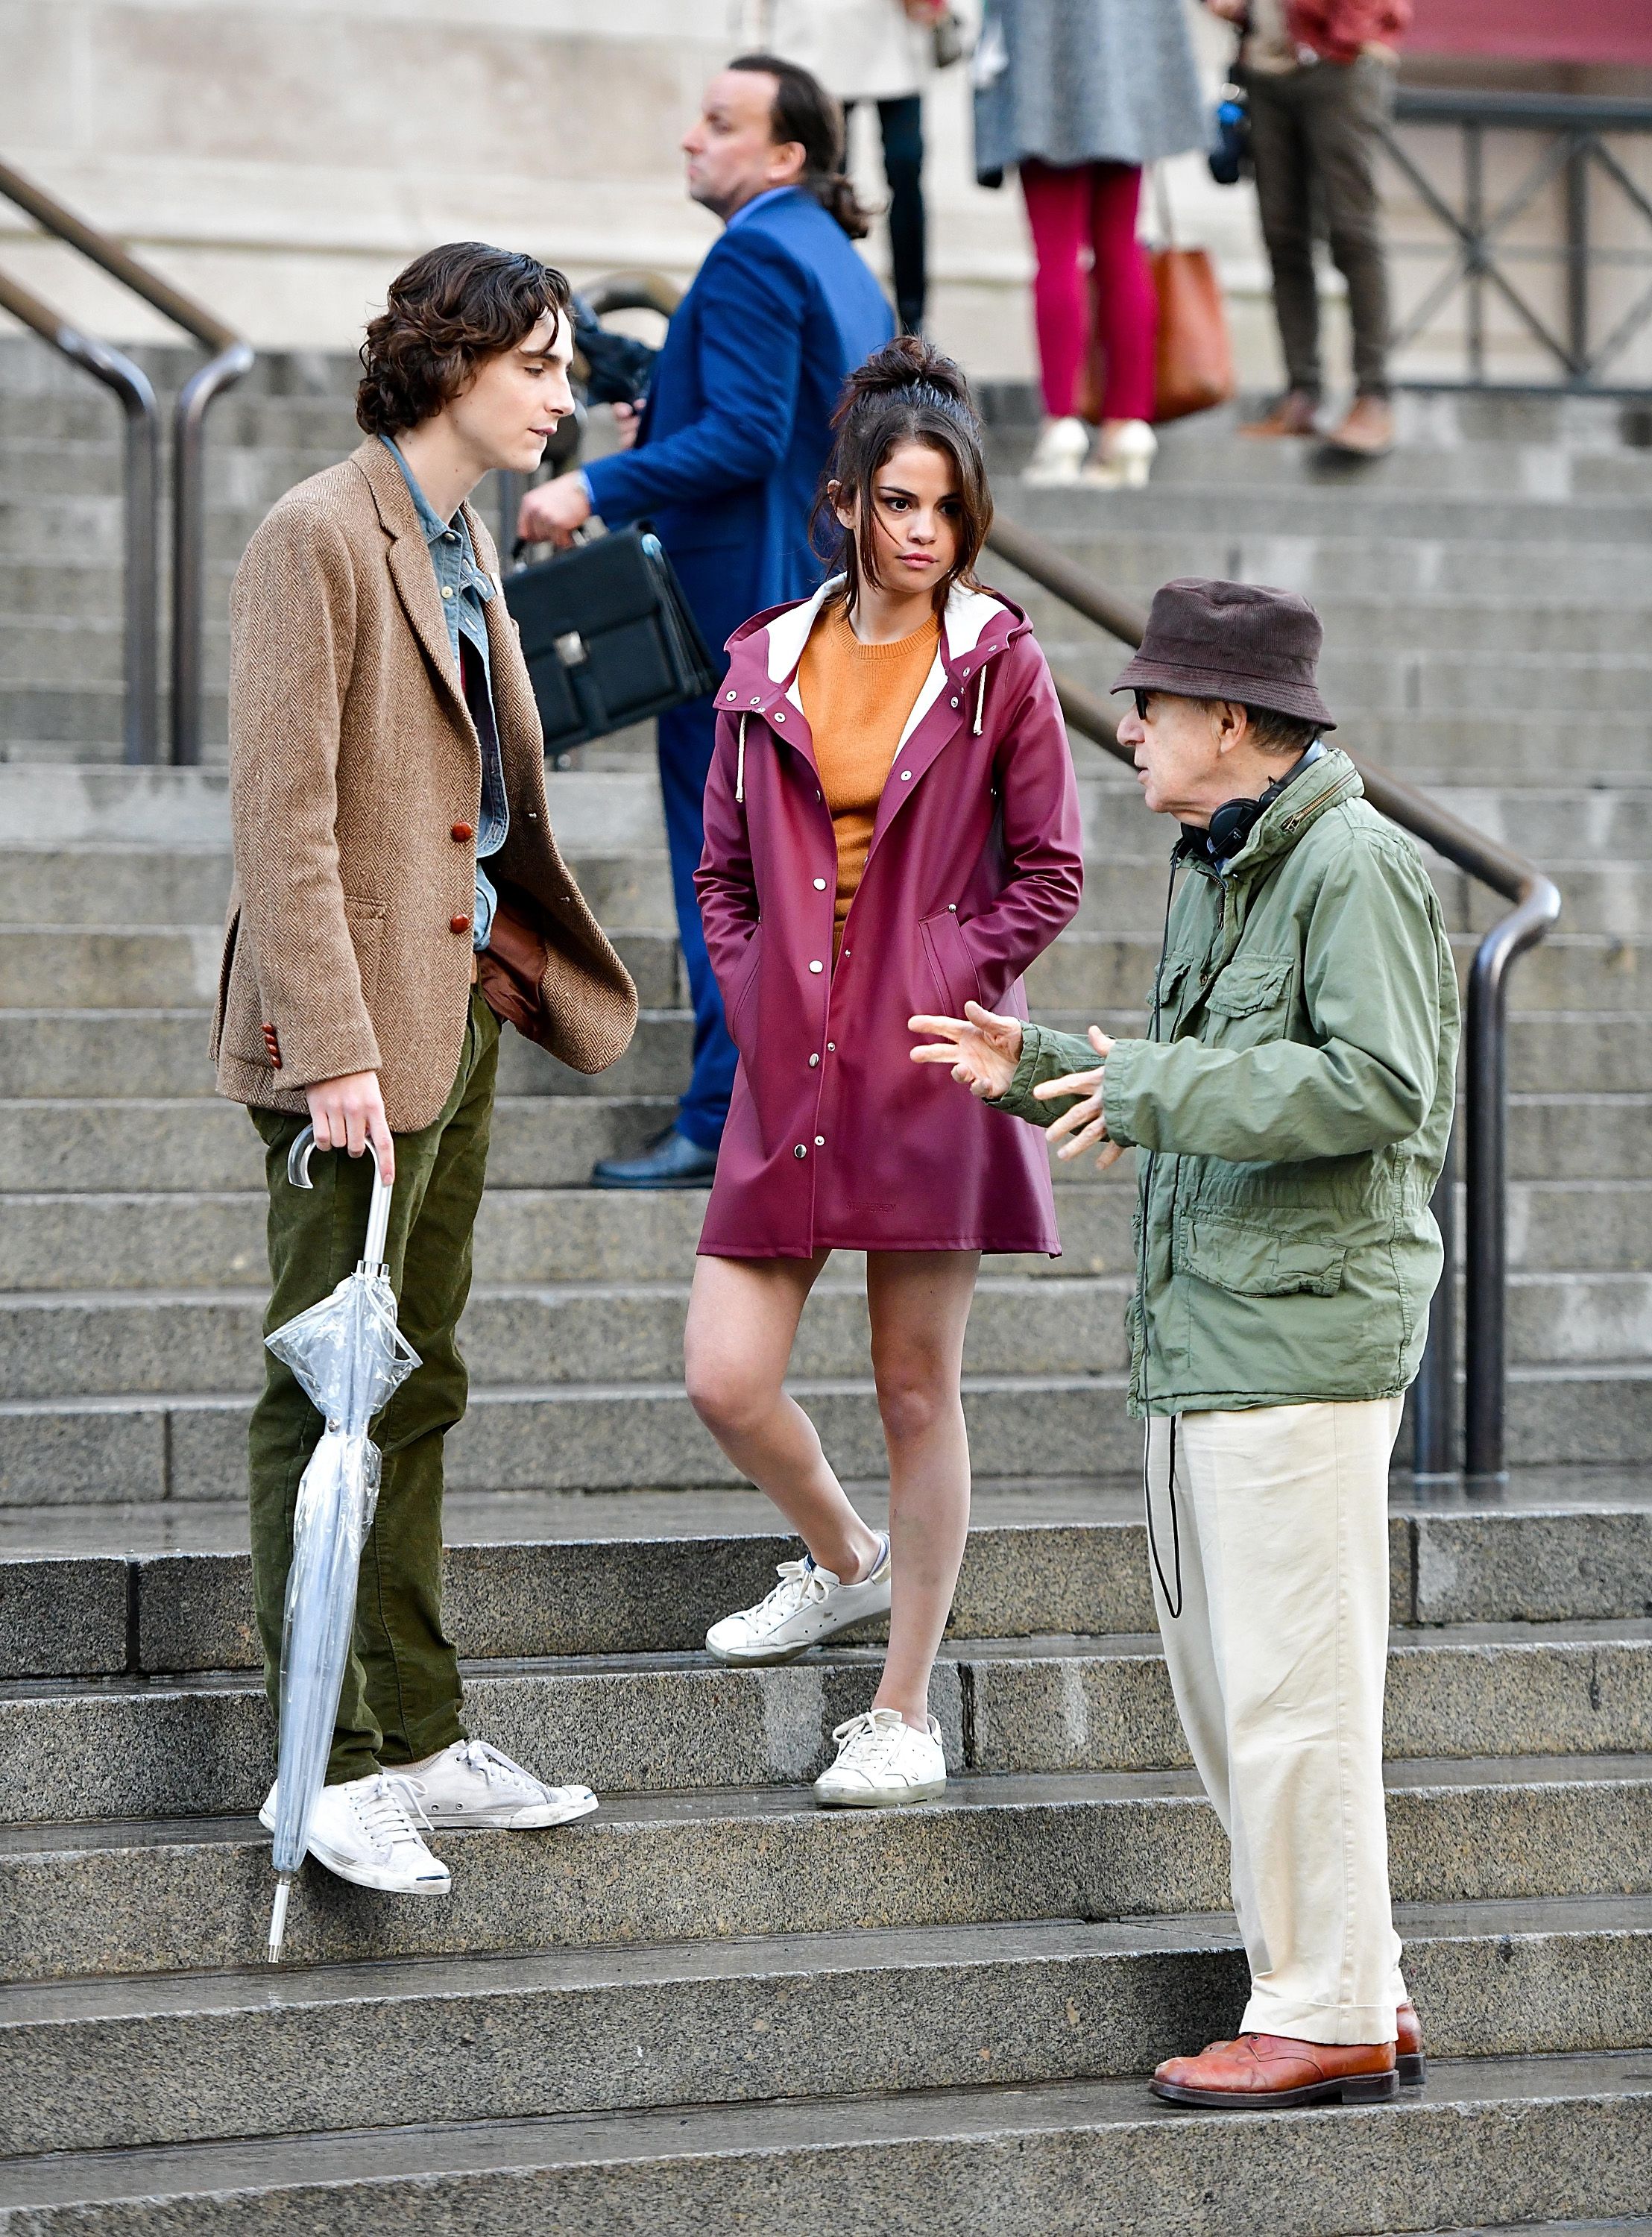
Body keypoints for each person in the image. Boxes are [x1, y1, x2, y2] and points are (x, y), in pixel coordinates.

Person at [913, 576, 1458, 2105]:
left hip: (1299, 1340)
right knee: (1240, 1692)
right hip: (1209, 1329)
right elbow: (1203, 1070)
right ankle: (1359, 1987)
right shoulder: (1218, 862)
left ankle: (1323, 2007)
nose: (1125, 722)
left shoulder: (1350, 865)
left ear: (1232, 721)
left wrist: (1144, 1088)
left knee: (1291, 1695)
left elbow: (1372, 1087)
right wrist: (1045, 1071)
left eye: (1150, 703)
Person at [216, 243, 637, 1897]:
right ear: (454, 363)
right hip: (350, 1041)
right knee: (326, 1389)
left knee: (421, 1377)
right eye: (539, 364)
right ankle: (319, 1763)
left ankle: (419, 1729)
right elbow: (283, 818)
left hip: (453, 1007)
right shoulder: (318, 534)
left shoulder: (458, 540)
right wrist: (329, 1047)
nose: (565, 394)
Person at [686, 336, 1083, 1808]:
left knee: (916, 1388)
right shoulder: (761, 662)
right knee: (725, 1380)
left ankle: (902, 1710)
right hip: (789, 1065)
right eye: (899, 506)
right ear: (847, 501)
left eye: (947, 512)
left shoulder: (997, 662)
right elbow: (721, 875)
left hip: (926, 1062)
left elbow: (1049, 871)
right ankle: (846, 1560)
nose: (922, 535)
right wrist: (745, 990)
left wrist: (936, 974)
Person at [518, 54, 895, 1189]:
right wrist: (667, 408)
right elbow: (780, 429)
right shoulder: (835, 260)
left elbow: (740, 437)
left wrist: (588, 488)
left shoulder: (753, 253)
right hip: (812, 603)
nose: (693, 137)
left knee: (725, 872)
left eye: (722, 124)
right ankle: (779, 1109)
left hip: (737, 619)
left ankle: (726, 1112)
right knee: (782, 873)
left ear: (787, 156)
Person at [972, 0, 1205, 488]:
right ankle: (1129, 426)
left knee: (1056, 255)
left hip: (1043, 60)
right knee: (1121, 249)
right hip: (1125, 63)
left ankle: (1061, 424)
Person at [1205, 0, 1410, 456]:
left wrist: (1349, 35)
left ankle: (1374, 397)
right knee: (1283, 236)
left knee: (1353, 232)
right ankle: (1301, 395)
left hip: (1343, 58)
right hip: (1266, 65)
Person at [760, 0, 950, 335]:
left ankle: (913, 316)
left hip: (899, 30)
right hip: (818, 31)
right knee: (826, 180)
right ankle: (829, 302)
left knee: (905, 171)